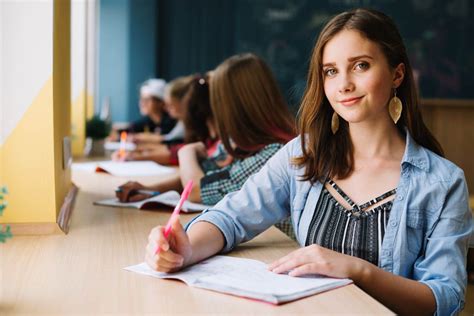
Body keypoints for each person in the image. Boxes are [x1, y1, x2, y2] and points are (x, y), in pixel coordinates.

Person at [144, 9, 472, 315]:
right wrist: (186, 248)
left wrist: (358, 271)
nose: (343, 84)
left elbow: (445, 298)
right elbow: (231, 217)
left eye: (361, 65)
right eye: (331, 71)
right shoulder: (302, 155)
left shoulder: (442, 182)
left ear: (397, 74)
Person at [116, 53, 295, 208]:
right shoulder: (239, 140)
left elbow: (196, 191)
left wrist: (187, 152)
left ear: (235, 104)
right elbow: (206, 176)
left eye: (217, 100)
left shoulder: (276, 151)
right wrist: (150, 190)